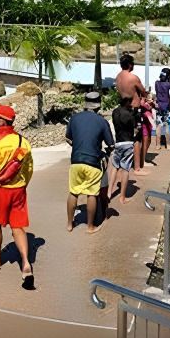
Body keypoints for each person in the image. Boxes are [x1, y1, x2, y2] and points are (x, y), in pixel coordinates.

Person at [0, 105, 34, 287]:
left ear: (2, 121)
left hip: (0, 190)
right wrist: (23, 184)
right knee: (18, 227)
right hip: (19, 190)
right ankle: (26, 263)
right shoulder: (23, 142)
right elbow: (29, 169)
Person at [65, 92, 115, 233]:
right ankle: (90, 226)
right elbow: (111, 144)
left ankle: (69, 224)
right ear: (98, 106)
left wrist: (77, 146)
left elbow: (68, 138)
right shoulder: (102, 121)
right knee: (92, 194)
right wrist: (106, 153)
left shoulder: (74, 118)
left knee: (73, 192)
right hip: (93, 162)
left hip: (76, 162)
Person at [115, 53, 149, 174]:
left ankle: (121, 165)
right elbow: (144, 92)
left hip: (122, 109)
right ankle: (137, 168)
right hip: (134, 110)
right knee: (136, 138)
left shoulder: (118, 77)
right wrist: (144, 96)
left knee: (125, 136)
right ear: (130, 65)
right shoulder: (133, 78)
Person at [108, 96, 137, 205]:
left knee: (115, 167)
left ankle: (109, 193)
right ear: (127, 102)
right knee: (125, 169)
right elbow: (134, 127)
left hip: (118, 142)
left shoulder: (115, 112)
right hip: (128, 142)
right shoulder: (130, 114)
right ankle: (122, 197)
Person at [154, 67, 170, 149]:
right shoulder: (167, 84)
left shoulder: (157, 83)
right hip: (165, 106)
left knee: (158, 125)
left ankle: (158, 145)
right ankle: (168, 145)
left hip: (158, 106)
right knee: (166, 125)